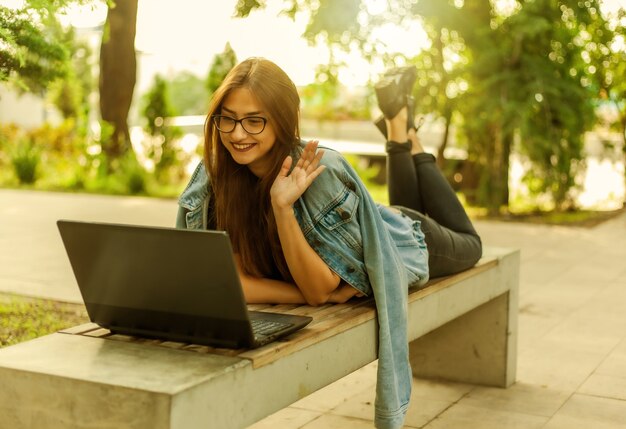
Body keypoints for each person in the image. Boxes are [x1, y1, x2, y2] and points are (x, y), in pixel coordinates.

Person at [176, 57, 481, 429]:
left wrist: (283, 207)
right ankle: (400, 129)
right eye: (228, 118)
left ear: (282, 120)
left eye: (254, 120)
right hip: (376, 220)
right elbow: (230, 283)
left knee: (470, 244)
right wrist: (299, 294)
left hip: (408, 239)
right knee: (400, 208)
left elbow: (320, 289)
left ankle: (408, 138)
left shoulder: (318, 170)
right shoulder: (217, 178)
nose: (238, 134)